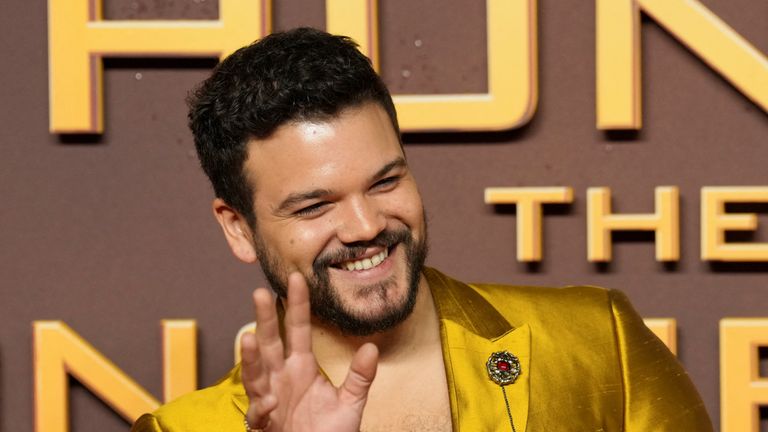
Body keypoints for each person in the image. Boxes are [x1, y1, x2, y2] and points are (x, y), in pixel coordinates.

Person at [132, 27, 713, 431]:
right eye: (314, 207)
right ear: (237, 228)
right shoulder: (180, 429)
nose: (365, 226)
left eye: (385, 182)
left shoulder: (598, 343)